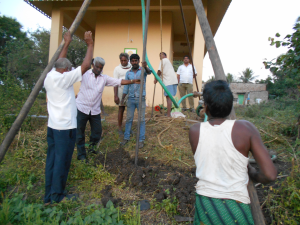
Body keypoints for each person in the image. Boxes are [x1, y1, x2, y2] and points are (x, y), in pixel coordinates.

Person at [189, 80, 277, 224]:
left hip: (205, 204)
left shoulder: (194, 131)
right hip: (235, 206)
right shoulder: (246, 128)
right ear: (231, 105)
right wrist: (253, 173)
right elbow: (270, 174)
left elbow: (210, 159)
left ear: (205, 107)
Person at [43, 30, 94, 204]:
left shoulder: (50, 76)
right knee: (62, 162)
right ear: (65, 70)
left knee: (52, 159)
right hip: (64, 129)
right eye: (70, 69)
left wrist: (67, 43)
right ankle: (57, 196)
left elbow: (59, 61)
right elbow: (86, 65)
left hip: (53, 126)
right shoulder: (64, 79)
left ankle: (48, 195)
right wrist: (90, 44)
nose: (71, 71)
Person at [76, 57, 140, 161]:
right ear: (93, 65)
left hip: (95, 111)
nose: (98, 69)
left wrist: (132, 81)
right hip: (82, 108)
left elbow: (118, 81)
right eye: (97, 67)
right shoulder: (84, 74)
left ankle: (92, 150)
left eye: (101, 68)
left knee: (97, 132)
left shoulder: (104, 78)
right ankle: (81, 155)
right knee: (80, 133)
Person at [120, 54, 152, 149]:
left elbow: (149, 72)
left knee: (141, 119)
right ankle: (126, 137)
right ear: (130, 62)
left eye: (136, 61)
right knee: (129, 119)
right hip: (130, 99)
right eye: (132, 61)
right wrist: (123, 98)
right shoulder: (128, 73)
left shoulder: (143, 71)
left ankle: (141, 139)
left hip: (140, 99)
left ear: (138, 61)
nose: (134, 62)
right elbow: (126, 86)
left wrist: (145, 67)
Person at [154, 52, 178, 117]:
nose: (160, 56)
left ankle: (168, 115)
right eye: (160, 55)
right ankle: (168, 113)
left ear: (165, 56)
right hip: (173, 81)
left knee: (168, 98)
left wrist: (156, 79)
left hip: (169, 81)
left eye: (162, 55)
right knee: (169, 98)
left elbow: (159, 71)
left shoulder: (163, 60)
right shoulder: (167, 62)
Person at [113, 53, 132, 135]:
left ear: (128, 60)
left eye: (125, 60)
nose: (123, 62)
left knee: (130, 111)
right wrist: (115, 95)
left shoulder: (131, 67)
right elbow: (115, 83)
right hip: (121, 92)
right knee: (121, 109)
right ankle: (120, 127)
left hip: (130, 91)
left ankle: (128, 128)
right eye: (122, 60)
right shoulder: (117, 69)